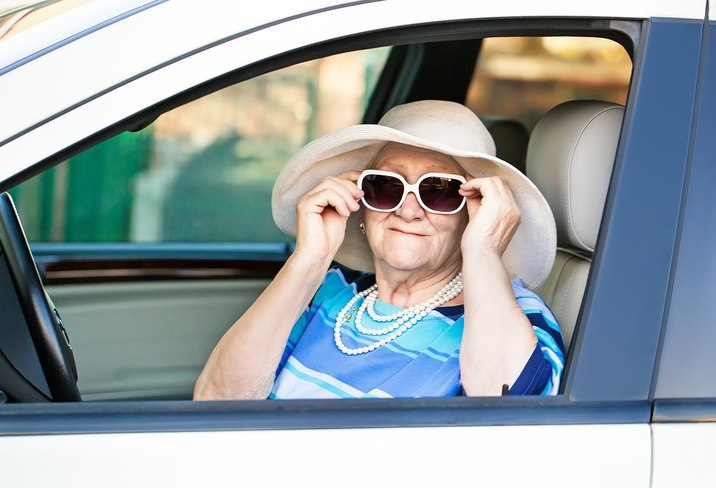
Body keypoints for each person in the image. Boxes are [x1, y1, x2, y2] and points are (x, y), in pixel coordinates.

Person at [193, 100, 564, 400]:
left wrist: (483, 251)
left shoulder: (516, 315)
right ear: (361, 202)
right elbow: (217, 401)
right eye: (386, 186)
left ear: (474, 212)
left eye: (440, 190)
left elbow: (505, 413)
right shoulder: (331, 291)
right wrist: (310, 258)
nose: (408, 209)